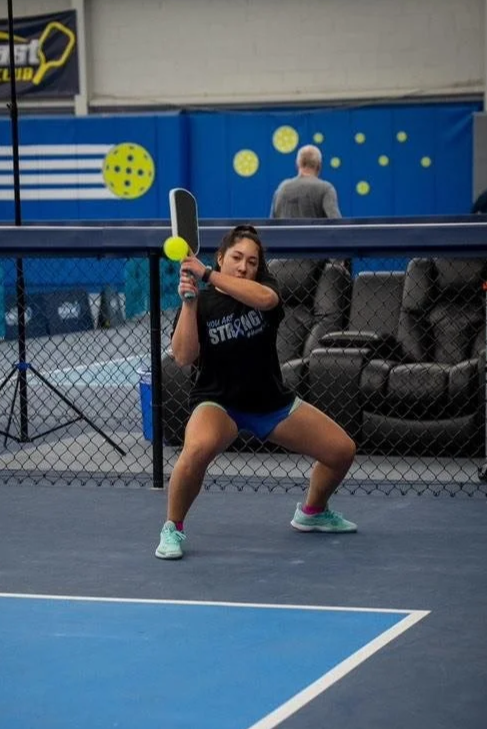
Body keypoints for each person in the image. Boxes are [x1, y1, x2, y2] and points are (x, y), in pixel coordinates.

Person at [155, 225, 357, 560]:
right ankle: (172, 529)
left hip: (269, 402)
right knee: (197, 449)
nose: (244, 266)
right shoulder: (203, 303)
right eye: (236, 258)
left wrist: (205, 273)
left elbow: (267, 300)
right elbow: (183, 356)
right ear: (222, 257)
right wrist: (189, 304)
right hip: (218, 403)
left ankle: (312, 512)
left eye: (251, 261)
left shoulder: (266, 288)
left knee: (342, 451)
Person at [270, 144, 341, 219]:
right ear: (319, 166)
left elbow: (272, 224)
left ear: (297, 164)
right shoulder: (326, 189)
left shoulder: (282, 188)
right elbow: (336, 223)